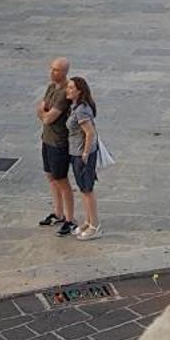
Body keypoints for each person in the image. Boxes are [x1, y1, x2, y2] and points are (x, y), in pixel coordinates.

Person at [37, 57, 75, 235]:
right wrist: (43, 112)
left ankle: (70, 218)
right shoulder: (51, 87)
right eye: (52, 68)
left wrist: (44, 113)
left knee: (62, 180)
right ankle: (58, 212)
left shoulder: (64, 93)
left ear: (65, 72)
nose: (53, 72)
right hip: (46, 138)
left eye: (57, 70)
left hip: (59, 142)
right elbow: (41, 108)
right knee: (50, 177)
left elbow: (48, 117)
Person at [66, 76, 102, 241]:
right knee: (83, 188)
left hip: (82, 153)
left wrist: (85, 154)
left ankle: (94, 225)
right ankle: (88, 221)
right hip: (76, 152)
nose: (68, 89)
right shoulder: (76, 107)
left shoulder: (81, 110)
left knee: (87, 189)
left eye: (72, 87)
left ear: (79, 91)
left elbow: (89, 133)